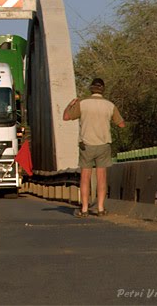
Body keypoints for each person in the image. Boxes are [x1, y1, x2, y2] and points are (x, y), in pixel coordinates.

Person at [63, 77, 125, 217]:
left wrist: (70, 104)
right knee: (101, 177)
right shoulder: (110, 105)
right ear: (103, 90)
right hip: (103, 146)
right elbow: (121, 124)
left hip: (86, 146)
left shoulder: (83, 104)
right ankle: (101, 208)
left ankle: (84, 209)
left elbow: (66, 117)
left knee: (85, 177)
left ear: (91, 89)